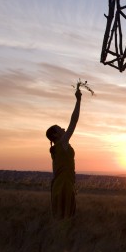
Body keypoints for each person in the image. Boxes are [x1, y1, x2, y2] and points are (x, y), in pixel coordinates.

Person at [45, 87, 82, 219]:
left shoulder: (56, 150)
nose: (63, 128)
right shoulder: (62, 143)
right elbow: (73, 121)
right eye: (59, 128)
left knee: (60, 221)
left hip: (59, 186)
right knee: (66, 221)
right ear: (55, 134)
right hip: (64, 187)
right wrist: (78, 100)